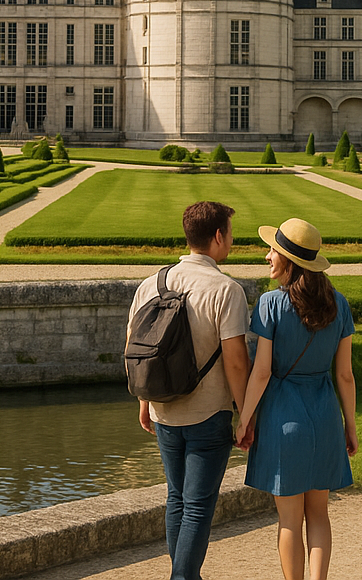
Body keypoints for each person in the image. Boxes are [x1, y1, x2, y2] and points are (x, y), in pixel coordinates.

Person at [128, 201, 251, 580]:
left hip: (164, 410)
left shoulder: (152, 282)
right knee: (197, 506)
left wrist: (145, 400)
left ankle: (184, 574)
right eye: (230, 233)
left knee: (176, 499)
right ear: (217, 236)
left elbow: (138, 346)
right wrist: (247, 414)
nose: (231, 240)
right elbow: (235, 361)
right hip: (209, 413)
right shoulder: (226, 290)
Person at [235, 218, 357, 580]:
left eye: (273, 250)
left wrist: (244, 420)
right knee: (319, 514)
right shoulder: (339, 304)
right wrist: (350, 425)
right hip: (324, 419)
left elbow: (260, 372)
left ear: (290, 261)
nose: (267, 255)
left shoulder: (270, 304)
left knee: (289, 519)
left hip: (282, 420)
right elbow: (345, 375)